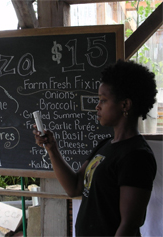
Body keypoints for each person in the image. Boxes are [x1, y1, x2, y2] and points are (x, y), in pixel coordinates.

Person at [33, 60, 157, 236]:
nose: (97, 106)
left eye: (103, 100)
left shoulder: (136, 156)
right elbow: (74, 187)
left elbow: (128, 225)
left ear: (125, 105)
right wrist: (52, 149)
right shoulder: (106, 144)